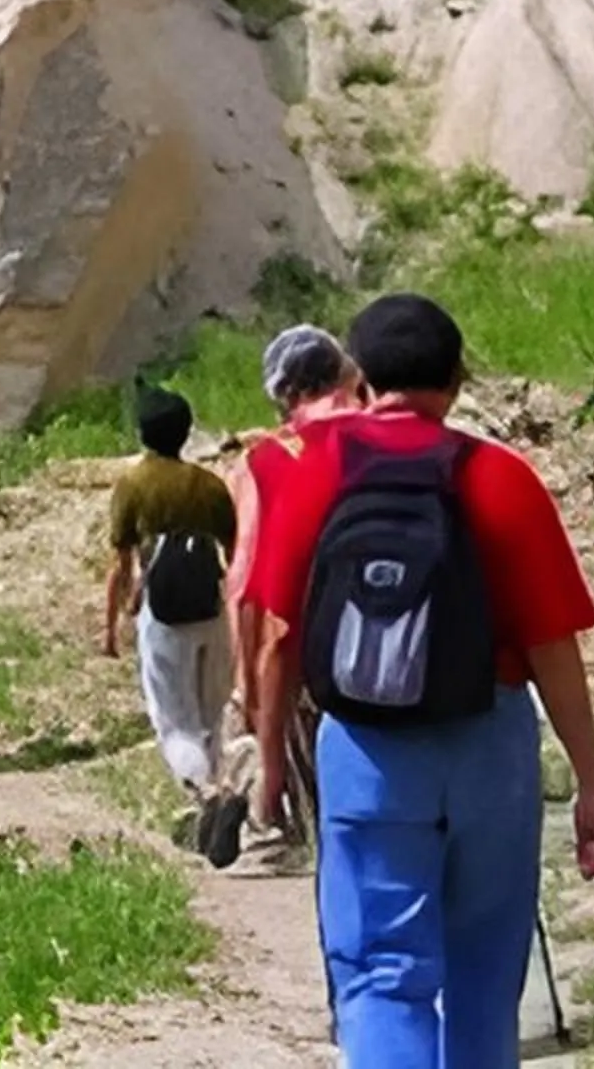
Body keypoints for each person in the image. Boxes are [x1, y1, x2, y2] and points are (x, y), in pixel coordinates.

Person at [246, 294, 594, 1069]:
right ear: (456, 380)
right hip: (490, 749)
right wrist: (591, 783)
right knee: (485, 975)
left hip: (366, 754)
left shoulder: (318, 473)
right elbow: (552, 649)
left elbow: (278, 639)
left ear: (361, 380)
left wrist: (272, 765)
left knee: (381, 975)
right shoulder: (502, 478)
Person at [232, 324, 364, 848]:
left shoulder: (267, 460)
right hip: (411, 657)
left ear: (285, 394)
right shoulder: (395, 435)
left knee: (329, 830)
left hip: (311, 662)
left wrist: (250, 691)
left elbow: (248, 587)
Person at [106, 382, 246, 865]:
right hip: (211, 608)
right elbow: (234, 552)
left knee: (173, 721)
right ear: (186, 432)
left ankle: (211, 795)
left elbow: (121, 563)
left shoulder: (134, 484)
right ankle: (218, 799)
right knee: (211, 715)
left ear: (142, 433)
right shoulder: (208, 485)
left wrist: (112, 626)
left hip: (162, 613)